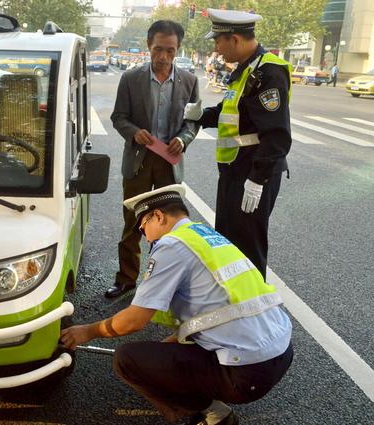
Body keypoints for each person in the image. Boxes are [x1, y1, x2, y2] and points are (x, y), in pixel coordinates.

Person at [61, 184, 293, 425]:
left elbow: (134, 320)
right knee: (157, 359)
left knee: (126, 359)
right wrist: (162, 359)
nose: (146, 238)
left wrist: (87, 331)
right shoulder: (206, 237)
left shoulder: (171, 245)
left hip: (246, 373)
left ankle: (214, 415)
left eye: (143, 228)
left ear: (158, 216)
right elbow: (213, 308)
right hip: (281, 353)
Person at [183, 9, 292, 278]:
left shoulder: (268, 72)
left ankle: (255, 313)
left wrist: (257, 180)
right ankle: (233, 306)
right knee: (228, 241)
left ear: (234, 40)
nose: (216, 49)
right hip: (234, 170)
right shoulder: (245, 70)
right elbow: (230, 112)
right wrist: (200, 116)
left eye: (218, 41)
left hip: (254, 173)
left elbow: (277, 135)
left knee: (248, 246)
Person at [106, 20, 199, 298]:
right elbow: (118, 117)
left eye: (170, 51)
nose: (163, 57)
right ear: (149, 45)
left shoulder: (189, 82)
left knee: (171, 226)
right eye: (158, 49)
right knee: (133, 222)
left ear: (178, 49)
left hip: (169, 163)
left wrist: (183, 139)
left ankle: (164, 284)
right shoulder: (131, 79)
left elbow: (193, 123)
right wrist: (134, 133)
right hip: (138, 161)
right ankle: (126, 279)